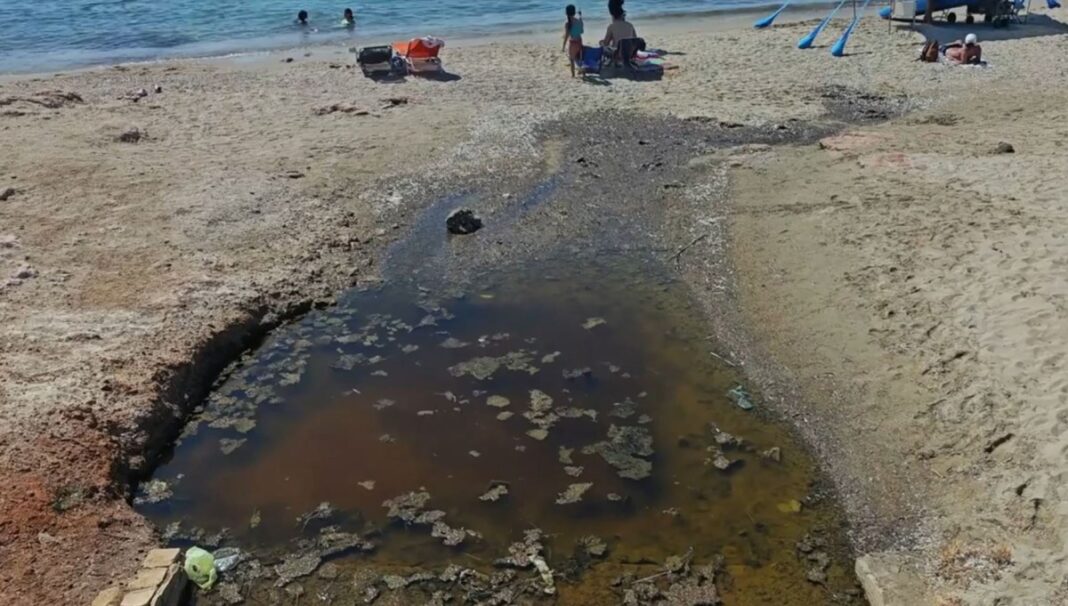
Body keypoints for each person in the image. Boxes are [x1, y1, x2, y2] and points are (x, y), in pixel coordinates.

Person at [562, 5, 584, 77]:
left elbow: (566, 36)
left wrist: (563, 46)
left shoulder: (567, 24)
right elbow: (581, 31)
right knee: (579, 58)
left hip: (572, 43)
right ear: (574, 13)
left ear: (566, 13)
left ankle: (573, 75)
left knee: (571, 59)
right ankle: (582, 72)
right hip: (579, 41)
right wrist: (580, 16)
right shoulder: (578, 21)